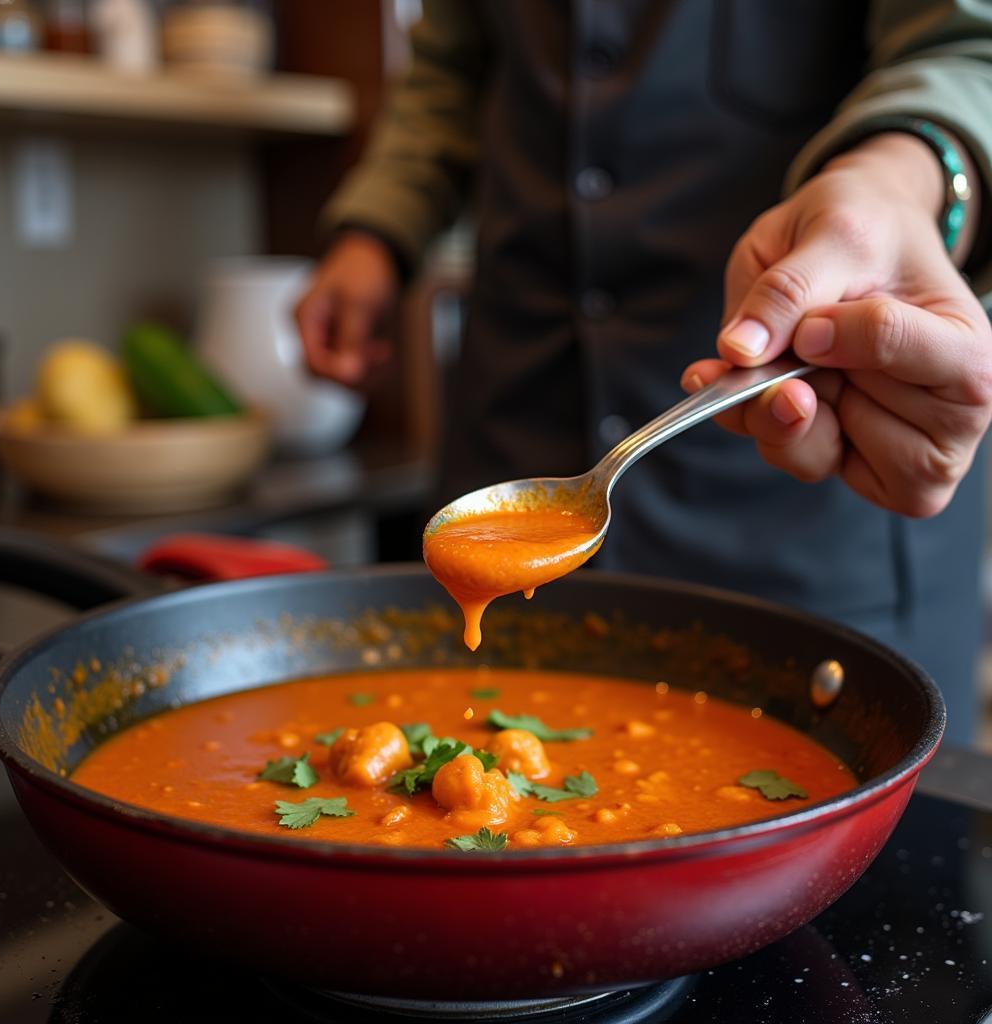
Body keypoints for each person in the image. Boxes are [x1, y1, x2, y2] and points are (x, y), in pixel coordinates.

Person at [296, 2, 992, 745]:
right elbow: (452, 68)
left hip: (806, 493)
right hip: (518, 420)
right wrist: (379, 231)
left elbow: (969, 46)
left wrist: (894, 182)